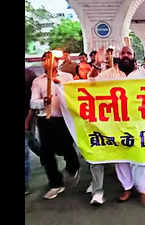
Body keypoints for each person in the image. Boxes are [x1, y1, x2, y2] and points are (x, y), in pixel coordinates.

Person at [86, 46, 145, 205]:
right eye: (123, 53)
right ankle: (127, 188)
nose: (125, 56)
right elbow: (91, 83)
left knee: (141, 156)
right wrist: (96, 65)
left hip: (138, 123)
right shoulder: (109, 74)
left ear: (134, 56)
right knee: (121, 158)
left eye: (129, 53)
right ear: (118, 56)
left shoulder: (142, 74)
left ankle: (143, 189)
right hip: (116, 123)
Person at [30, 51, 81, 200]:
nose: (48, 62)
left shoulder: (67, 77)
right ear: (42, 63)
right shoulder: (38, 81)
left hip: (63, 120)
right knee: (47, 153)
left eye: (51, 59)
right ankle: (55, 183)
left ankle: (73, 166)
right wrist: (43, 101)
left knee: (66, 147)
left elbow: (74, 96)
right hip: (44, 120)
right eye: (45, 59)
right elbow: (32, 102)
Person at [25, 68, 37, 195]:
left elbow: (32, 103)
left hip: (27, 116)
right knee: (32, 143)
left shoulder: (29, 75)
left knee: (25, 151)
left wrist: (28, 121)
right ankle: (46, 156)